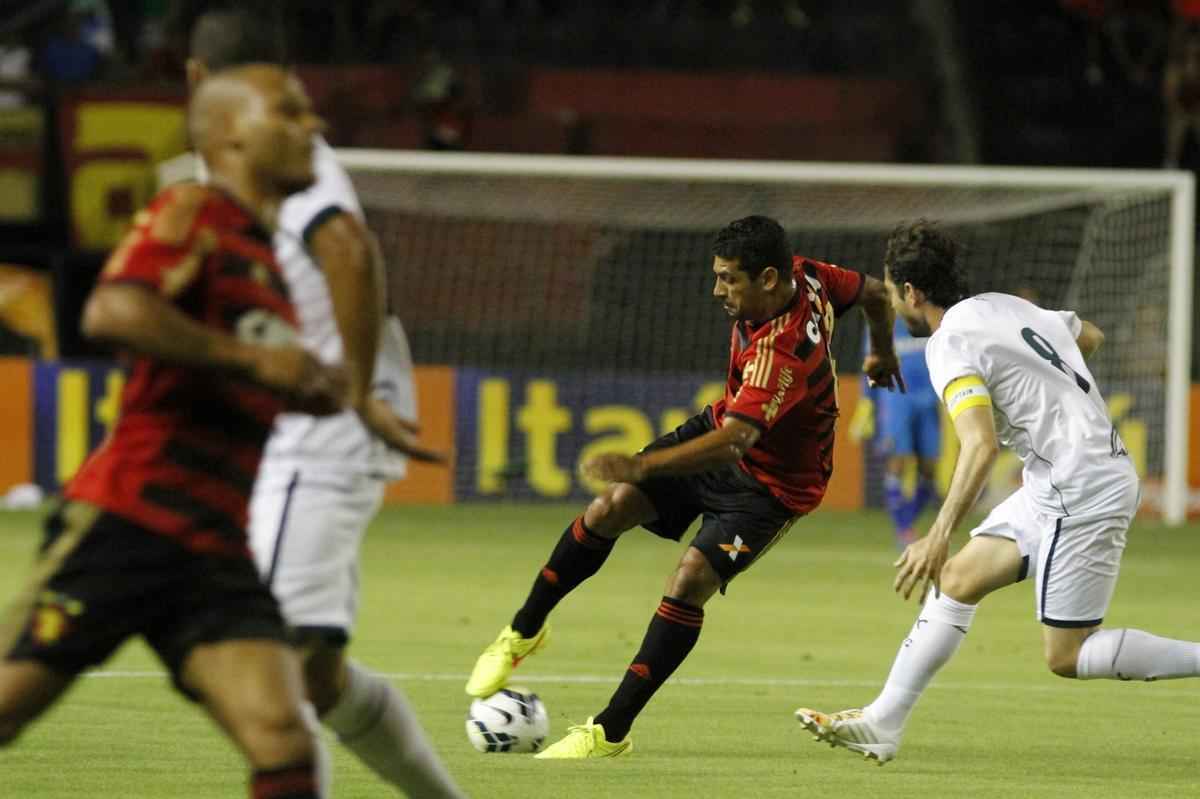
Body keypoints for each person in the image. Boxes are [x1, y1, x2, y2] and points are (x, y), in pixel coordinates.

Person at [0, 64, 344, 799]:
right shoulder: (192, 209)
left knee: (283, 736)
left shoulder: (267, 259)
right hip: (129, 519)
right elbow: (112, 311)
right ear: (231, 135)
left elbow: (229, 377)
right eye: (289, 111)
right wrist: (255, 357)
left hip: (213, 543)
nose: (312, 126)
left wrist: (302, 386)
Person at [465, 214, 904, 758]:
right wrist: (882, 351)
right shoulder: (808, 275)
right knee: (611, 507)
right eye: (717, 275)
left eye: (728, 279)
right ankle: (523, 632)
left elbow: (736, 443)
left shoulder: (778, 352)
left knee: (690, 578)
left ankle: (609, 732)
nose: (717, 290)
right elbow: (879, 294)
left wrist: (646, 466)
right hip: (725, 429)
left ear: (767, 279)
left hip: (774, 486)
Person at [183, 9, 463, 798]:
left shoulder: (277, 153)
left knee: (267, 664)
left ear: (197, 77)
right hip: (301, 426)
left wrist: (358, 385)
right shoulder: (238, 156)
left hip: (324, 424)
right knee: (314, 671)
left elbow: (347, 249)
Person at [796, 220, 1200, 764]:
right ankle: (883, 723)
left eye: (893, 294)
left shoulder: (948, 344)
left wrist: (937, 533)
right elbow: (1090, 336)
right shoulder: (1005, 306)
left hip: (1078, 485)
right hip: (1064, 474)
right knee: (960, 579)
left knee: (1067, 654)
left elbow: (979, 445)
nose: (893, 304)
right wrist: (1049, 391)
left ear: (912, 293)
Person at [848, 316, 940, 548]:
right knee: (897, 463)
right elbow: (870, 366)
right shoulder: (881, 322)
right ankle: (904, 529)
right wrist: (866, 404)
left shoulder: (927, 316)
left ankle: (906, 520)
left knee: (930, 469)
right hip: (895, 398)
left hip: (929, 399)